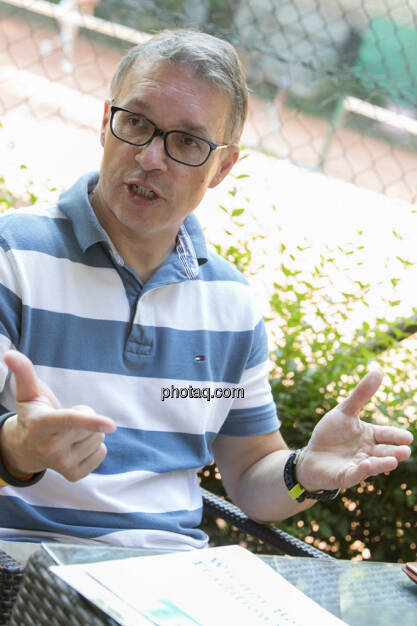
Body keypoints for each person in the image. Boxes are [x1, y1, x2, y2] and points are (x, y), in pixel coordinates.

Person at [0, 30, 413, 549]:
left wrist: (304, 471)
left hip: (168, 584)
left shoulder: (231, 304)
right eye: (136, 123)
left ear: (222, 167)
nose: (152, 157)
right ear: (105, 123)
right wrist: (17, 448)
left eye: (188, 142)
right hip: (21, 569)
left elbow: (252, 475)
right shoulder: (11, 255)